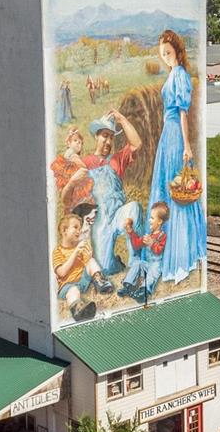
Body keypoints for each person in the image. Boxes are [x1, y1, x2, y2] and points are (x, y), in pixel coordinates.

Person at [149, 30, 206, 283]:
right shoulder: (172, 73)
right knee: (169, 187)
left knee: (176, 192)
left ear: (178, 51)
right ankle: (167, 249)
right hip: (167, 133)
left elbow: (183, 113)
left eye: (169, 53)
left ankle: (180, 255)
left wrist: (186, 145)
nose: (166, 58)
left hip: (175, 135)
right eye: (163, 54)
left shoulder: (180, 75)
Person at [61, 108, 142, 276]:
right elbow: (65, 200)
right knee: (104, 268)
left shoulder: (116, 160)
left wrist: (121, 118)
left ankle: (136, 264)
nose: (108, 141)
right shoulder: (84, 162)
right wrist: (72, 182)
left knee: (134, 208)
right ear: (96, 136)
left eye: (111, 137)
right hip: (99, 221)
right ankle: (116, 263)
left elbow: (136, 144)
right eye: (105, 135)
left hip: (118, 213)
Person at [51, 208, 113, 321]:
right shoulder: (58, 251)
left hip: (82, 281)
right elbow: (61, 272)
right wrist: (75, 253)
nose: (78, 231)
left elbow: (87, 264)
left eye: (79, 228)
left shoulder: (79, 246)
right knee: (73, 291)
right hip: (67, 284)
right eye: (75, 227)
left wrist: (88, 255)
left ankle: (100, 282)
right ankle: (78, 309)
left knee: (91, 261)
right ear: (64, 231)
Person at [120, 201, 169, 304]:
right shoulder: (149, 236)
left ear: (159, 221)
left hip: (157, 265)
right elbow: (136, 244)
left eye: (152, 218)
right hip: (148, 264)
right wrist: (131, 232)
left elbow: (159, 250)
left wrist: (152, 244)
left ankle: (144, 291)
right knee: (138, 263)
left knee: (153, 271)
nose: (149, 220)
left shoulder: (162, 236)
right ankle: (128, 285)